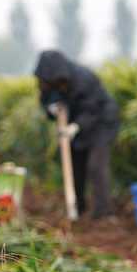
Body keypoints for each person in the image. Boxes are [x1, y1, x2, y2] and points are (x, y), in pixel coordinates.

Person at [34, 50, 119, 219]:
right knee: (75, 167)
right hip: (72, 128)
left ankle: (103, 213)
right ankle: (78, 209)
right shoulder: (47, 84)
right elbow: (46, 102)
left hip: (100, 124)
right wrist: (51, 110)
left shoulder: (84, 78)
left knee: (96, 166)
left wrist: (76, 127)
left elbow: (93, 109)